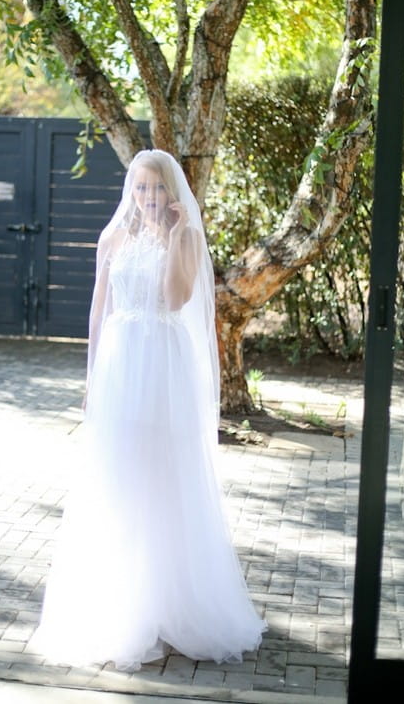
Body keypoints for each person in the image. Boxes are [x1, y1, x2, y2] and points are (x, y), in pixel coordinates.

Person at [33, 149, 266, 671]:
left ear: (172, 192)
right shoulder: (113, 237)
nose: (149, 198)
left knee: (162, 478)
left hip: (162, 365)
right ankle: (120, 601)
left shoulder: (185, 237)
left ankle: (170, 604)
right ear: (130, 190)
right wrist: (91, 378)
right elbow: (99, 310)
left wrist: (179, 236)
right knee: (119, 477)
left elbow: (177, 298)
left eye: (158, 189)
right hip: (120, 366)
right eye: (141, 188)